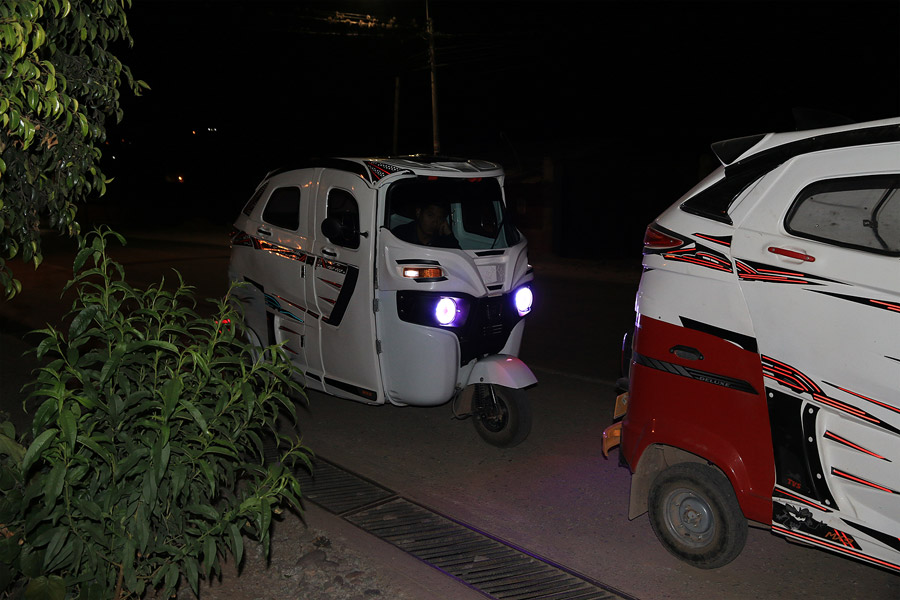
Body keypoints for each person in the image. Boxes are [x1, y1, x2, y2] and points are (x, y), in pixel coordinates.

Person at [391, 200, 460, 249]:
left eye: (439, 218)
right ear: (418, 212)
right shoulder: (400, 235)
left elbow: (458, 259)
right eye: (430, 215)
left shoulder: (443, 240)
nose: (435, 222)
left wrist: (449, 234)